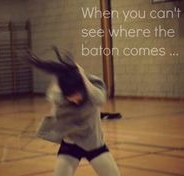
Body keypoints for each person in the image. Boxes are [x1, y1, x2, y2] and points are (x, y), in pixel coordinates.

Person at [21, 47, 120, 176]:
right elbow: (53, 97)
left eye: (76, 94)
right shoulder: (58, 97)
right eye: (69, 97)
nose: (74, 100)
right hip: (70, 145)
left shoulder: (93, 88)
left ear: (83, 87)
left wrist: (82, 76)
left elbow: (100, 99)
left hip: (94, 144)